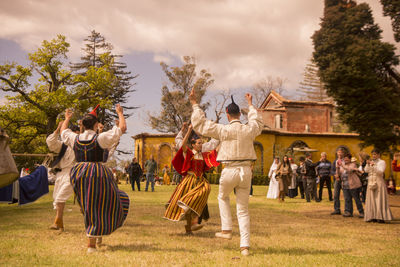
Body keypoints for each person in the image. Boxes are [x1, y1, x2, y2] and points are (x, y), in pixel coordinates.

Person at [190, 88, 263, 257]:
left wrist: (194, 103)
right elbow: (257, 122)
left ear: (227, 115)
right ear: (239, 114)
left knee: (223, 197)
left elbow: (201, 124)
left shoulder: (223, 130)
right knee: (243, 210)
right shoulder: (248, 129)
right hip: (246, 171)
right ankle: (244, 247)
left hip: (230, 169)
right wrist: (251, 105)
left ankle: (226, 229)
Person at [61, 104, 129, 253]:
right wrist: (120, 113)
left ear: (82, 125)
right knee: (104, 203)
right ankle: (91, 243)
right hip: (96, 172)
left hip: (78, 172)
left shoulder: (75, 138)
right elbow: (122, 128)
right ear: (96, 124)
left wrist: (66, 119)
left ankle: (96, 236)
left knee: (87, 205)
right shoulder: (100, 138)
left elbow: (63, 132)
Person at [164, 125, 219, 234]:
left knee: (202, 194)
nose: (201, 144)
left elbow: (215, 150)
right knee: (190, 206)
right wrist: (188, 131)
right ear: (193, 145)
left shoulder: (203, 155)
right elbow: (183, 144)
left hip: (200, 181)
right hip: (189, 181)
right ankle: (190, 228)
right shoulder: (188, 153)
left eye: (201, 143)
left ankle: (193, 223)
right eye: (199, 143)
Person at [46, 122, 80, 232]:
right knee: (56, 199)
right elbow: (51, 144)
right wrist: (57, 130)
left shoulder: (80, 145)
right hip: (60, 173)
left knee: (61, 197)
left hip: (73, 173)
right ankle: (60, 223)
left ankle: (57, 222)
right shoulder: (63, 145)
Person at [363, 149, 393, 223]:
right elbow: (366, 171)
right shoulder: (371, 162)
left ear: (379, 155)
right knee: (371, 199)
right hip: (371, 181)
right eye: (372, 154)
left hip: (378, 181)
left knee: (379, 199)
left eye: (375, 154)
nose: (374, 156)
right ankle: (372, 216)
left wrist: (373, 165)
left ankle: (380, 217)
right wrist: (367, 164)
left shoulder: (382, 162)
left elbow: (380, 171)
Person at [338, 153, 364, 218]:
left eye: (347, 159)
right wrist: (338, 168)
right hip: (345, 185)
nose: (345, 160)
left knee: (356, 199)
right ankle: (348, 212)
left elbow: (349, 169)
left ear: (350, 159)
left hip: (353, 185)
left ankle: (361, 212)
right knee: (347, 199)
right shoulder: (343, 165)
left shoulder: (353, 164)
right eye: (345, 159)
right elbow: (340, 172)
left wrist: (342, 166)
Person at [331, 148, 345, 215]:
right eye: (338, 152)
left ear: (343, 153)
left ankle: (347, 210)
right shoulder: (335, 161)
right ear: (337, 153)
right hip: (337, 180)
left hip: (344, 179)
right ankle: (337, 209)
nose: (340, 154)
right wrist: (335, 174)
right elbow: (332, 170)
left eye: (341, 152)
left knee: (346, 195)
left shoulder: (345, 161)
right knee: (336, 195)